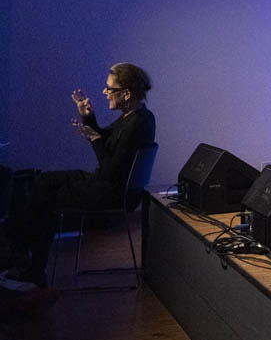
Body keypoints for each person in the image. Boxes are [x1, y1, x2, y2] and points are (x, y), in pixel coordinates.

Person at [0, 63, 156, 291]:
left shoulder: (137, 124)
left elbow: (109, 167)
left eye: (110, 89)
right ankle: (23, 259)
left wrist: (94, 139)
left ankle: (30, 267)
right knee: (43, 181)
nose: (104, 92)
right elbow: (107, 139)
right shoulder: (134, 116)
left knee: (46, 199)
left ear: (126, 94)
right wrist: (88, 117)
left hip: (110, 191)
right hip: (104, 182)